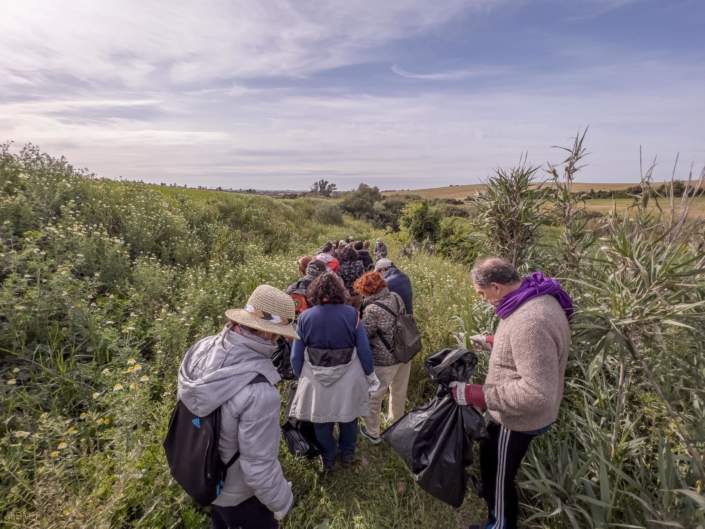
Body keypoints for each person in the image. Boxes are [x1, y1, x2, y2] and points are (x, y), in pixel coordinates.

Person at [450, 257, 572, 529]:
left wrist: (475, 395)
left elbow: (537, 393)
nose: (482, 299)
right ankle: (493, 503)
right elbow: (533, 354)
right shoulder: (532, 298)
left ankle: (499, 524)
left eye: (482, 294)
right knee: (492, 465)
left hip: (515, 421)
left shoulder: (529, 322)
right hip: (512, 416)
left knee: (499, 477)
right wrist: (495, 343)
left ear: (495, 287)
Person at [177, 285, 298, 529]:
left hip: (205, 471)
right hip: (241, 494)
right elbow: (258, 467)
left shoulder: (201, 348)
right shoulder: (260, 392)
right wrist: (283, 502)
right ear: (270, 334)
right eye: (279, 335)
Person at [288, 272, 379, 472]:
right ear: (340, 291)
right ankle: (347, 454)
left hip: (315, 376)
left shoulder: (304, 317)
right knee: (349, 418)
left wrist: (299, 375)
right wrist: (370, 374)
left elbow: (295, 356)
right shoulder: (352, 314)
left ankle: (328, 455)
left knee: (320, 420)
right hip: (348, 376)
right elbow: (363, 349)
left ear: (315, 292)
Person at [354, 271, 411, 444]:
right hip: (404, 353)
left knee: (374, 396)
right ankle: (396, 424)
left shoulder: (372, 309)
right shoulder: (395, 297)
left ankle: (372, 432)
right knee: (399, 392)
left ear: (367, 291)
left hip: (385, 360)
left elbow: (364, 334)